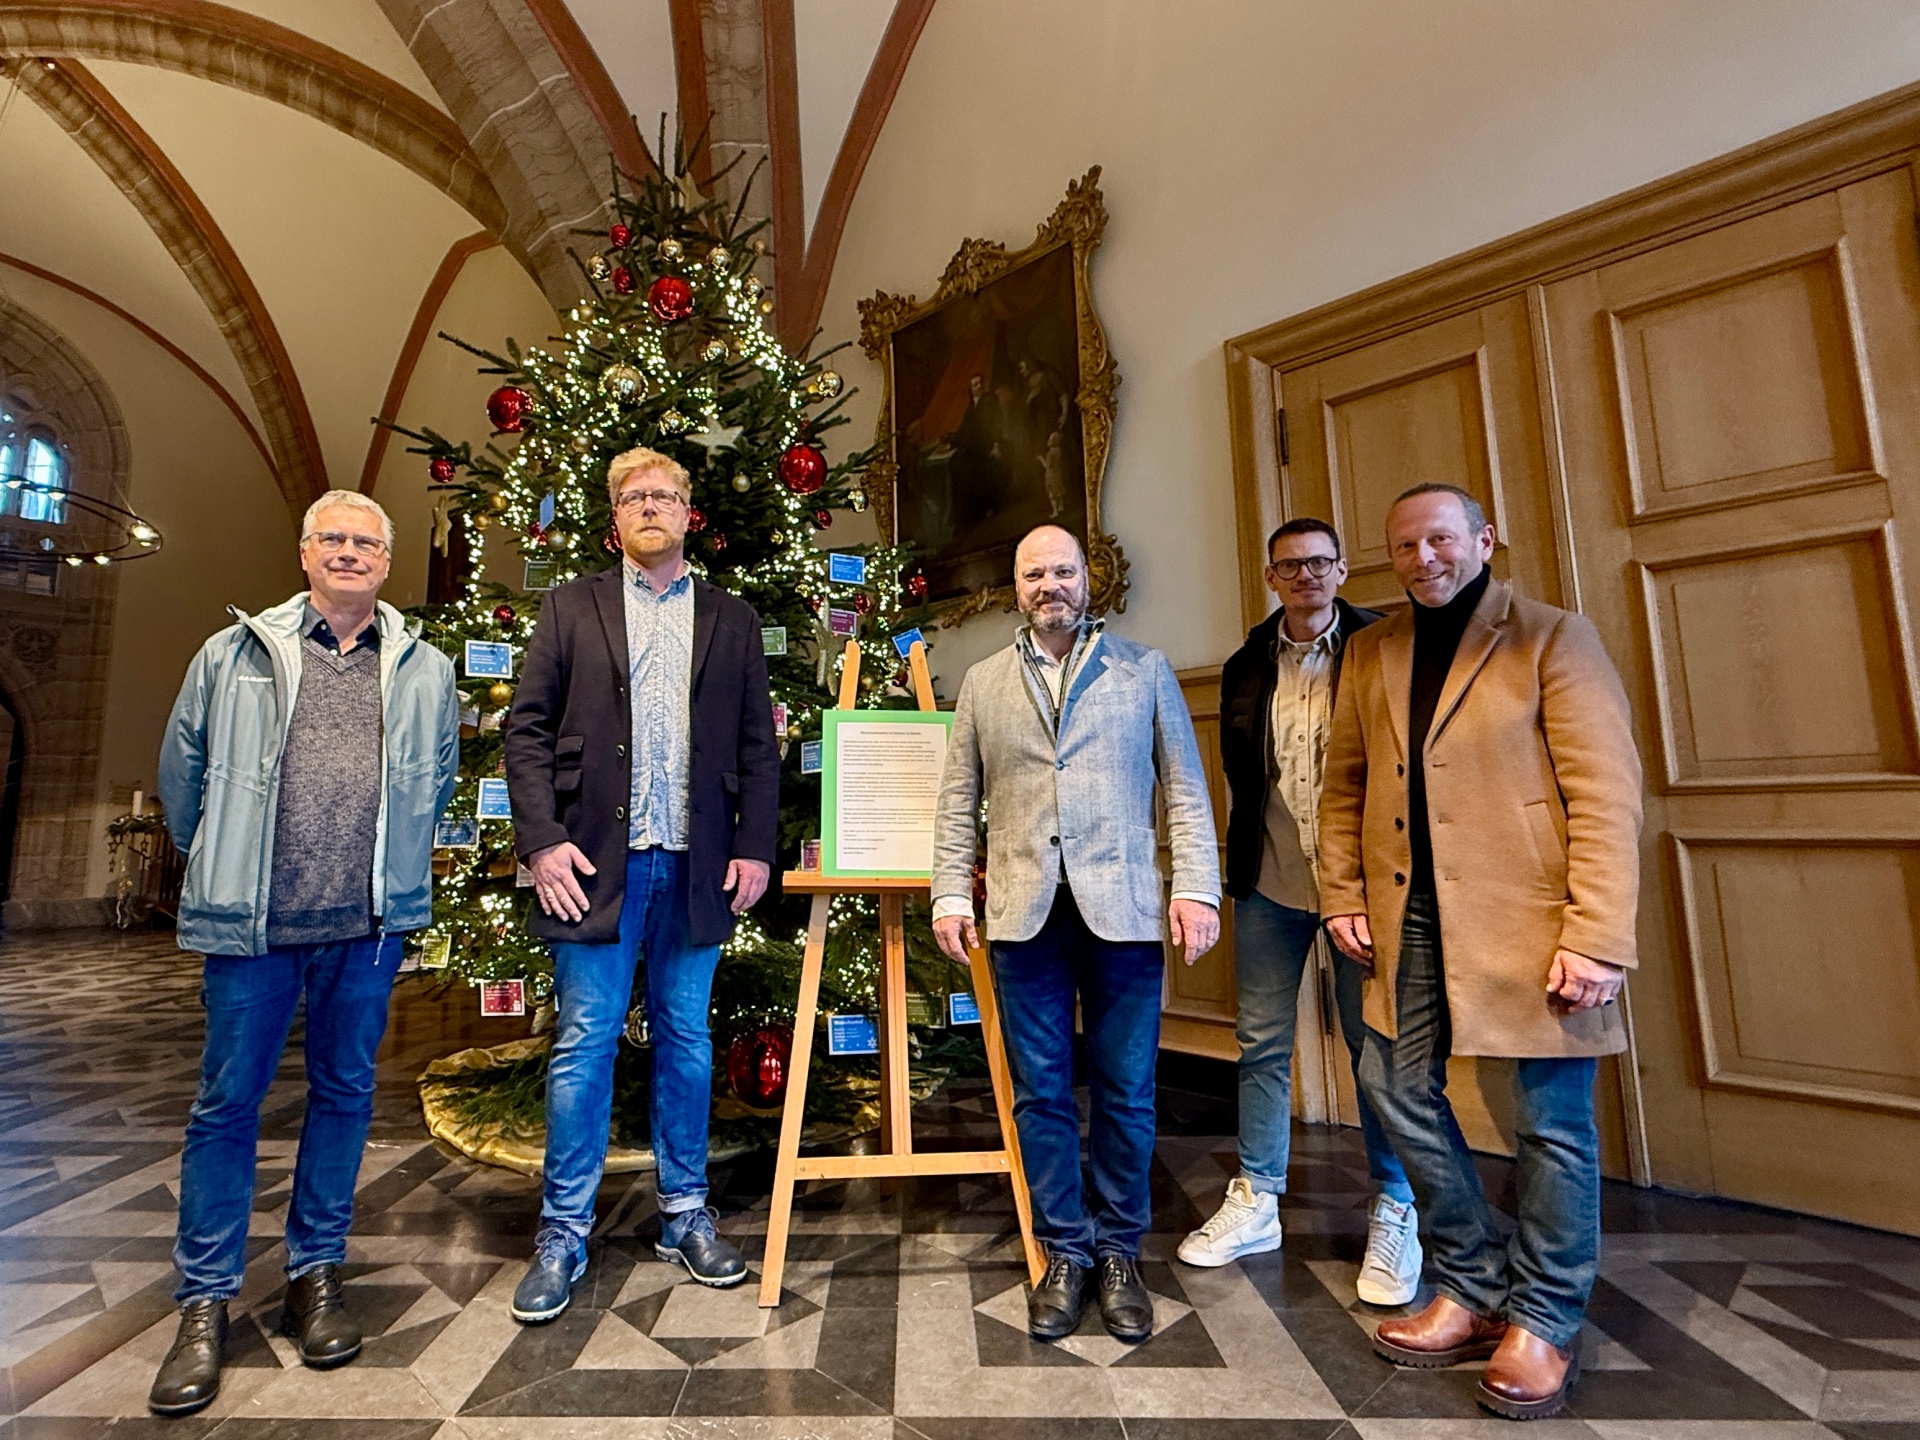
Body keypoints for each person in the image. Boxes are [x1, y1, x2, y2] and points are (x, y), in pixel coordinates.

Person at [1318, 484, 1642, 1420]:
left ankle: (1545, 1317)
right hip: (1406, 914)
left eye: (1440, 539)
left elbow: (1607, 796)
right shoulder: (1372, 650)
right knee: (1391, 1083)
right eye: (1404, 545)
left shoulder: (1553, 637)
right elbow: (1343, 787)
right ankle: (1469, 1284)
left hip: (1532, 920)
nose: (1423, 558)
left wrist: (1597, 935)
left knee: (1551, 1122)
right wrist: (1342, 892)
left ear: (1483, 539)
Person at [150, 491, 459, 1416]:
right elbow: (183, 776)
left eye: (367, 542)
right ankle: (204, 1301)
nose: (350, 552)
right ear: (305, 551)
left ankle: (315, 1274)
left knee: (346, 1095)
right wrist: (224, 860)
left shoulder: (425, 668)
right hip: (255, 925)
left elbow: (437, 781)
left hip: (365, 927)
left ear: (386, 562)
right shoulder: (232, 654)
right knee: (225, 1105)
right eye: (334, 538)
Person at [504, 447, 777, 1321]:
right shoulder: (568, 606)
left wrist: (756, 847)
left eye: (664, 495)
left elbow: (757, 747)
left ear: (689, 513)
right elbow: (526, 732)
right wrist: (541, 844)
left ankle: (685, 1214)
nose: (650, 506)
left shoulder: (733, 618)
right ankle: (562, 1232)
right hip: (592, 864)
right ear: (615, 516)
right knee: (583, 1042)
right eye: (633, 496)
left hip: (697, 865)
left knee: (688, 1041)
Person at [932, 525, 1221, 1344]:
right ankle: (1064, 1250)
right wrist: (949, 893)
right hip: (1023, 916)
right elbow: (957, 802)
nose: (1049, 585)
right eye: (1034, 574)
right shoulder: (984, 683)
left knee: (1127, 1090)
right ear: (1016, 586)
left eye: (1062, 570)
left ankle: (1120, 1249)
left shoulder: (1145, 670)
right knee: (1042, 1092)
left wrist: (1196, 888)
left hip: (1122, 911)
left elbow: (1186, 790)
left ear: (1086, 579)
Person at [1178, 518, 1422, 1307]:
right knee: (1261, 1042)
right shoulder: (1247, 665)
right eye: (1290, 566)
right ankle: (1257, 1196)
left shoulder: (1385, 647)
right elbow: (1244, 776)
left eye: (1319, 562)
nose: (1306, 576)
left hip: (1365, 891)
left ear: (1342, 569)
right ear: (1272, 578)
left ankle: (1396, 1203)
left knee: (1373, 1044)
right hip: (1273, 883)